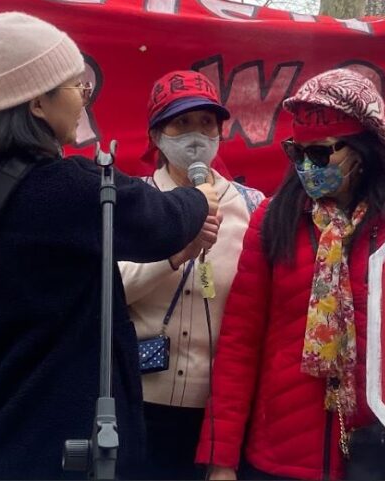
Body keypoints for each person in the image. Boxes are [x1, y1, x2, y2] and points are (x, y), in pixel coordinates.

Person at [0, 11, 218, 479]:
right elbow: (163, 222)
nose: (84, 100)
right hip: (60, 449)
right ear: (38, 104)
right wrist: (199, 198)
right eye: (75, 87)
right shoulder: (69, 189)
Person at [197, 68, 385, 481]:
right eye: (298, 152)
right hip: (282, 455)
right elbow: (240, 340)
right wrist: (220, 459)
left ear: (364, 149)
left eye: (321, 153)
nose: (306, 167)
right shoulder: (274, 217)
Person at [119, 70, 263, 480]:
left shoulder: (252, 207)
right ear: (156, 135)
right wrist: (174, 254)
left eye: (206, 123)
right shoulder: (132, 200)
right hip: (138, 403)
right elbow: (108, 288)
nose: (196, 136)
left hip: (218, 415)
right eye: (181, 123)